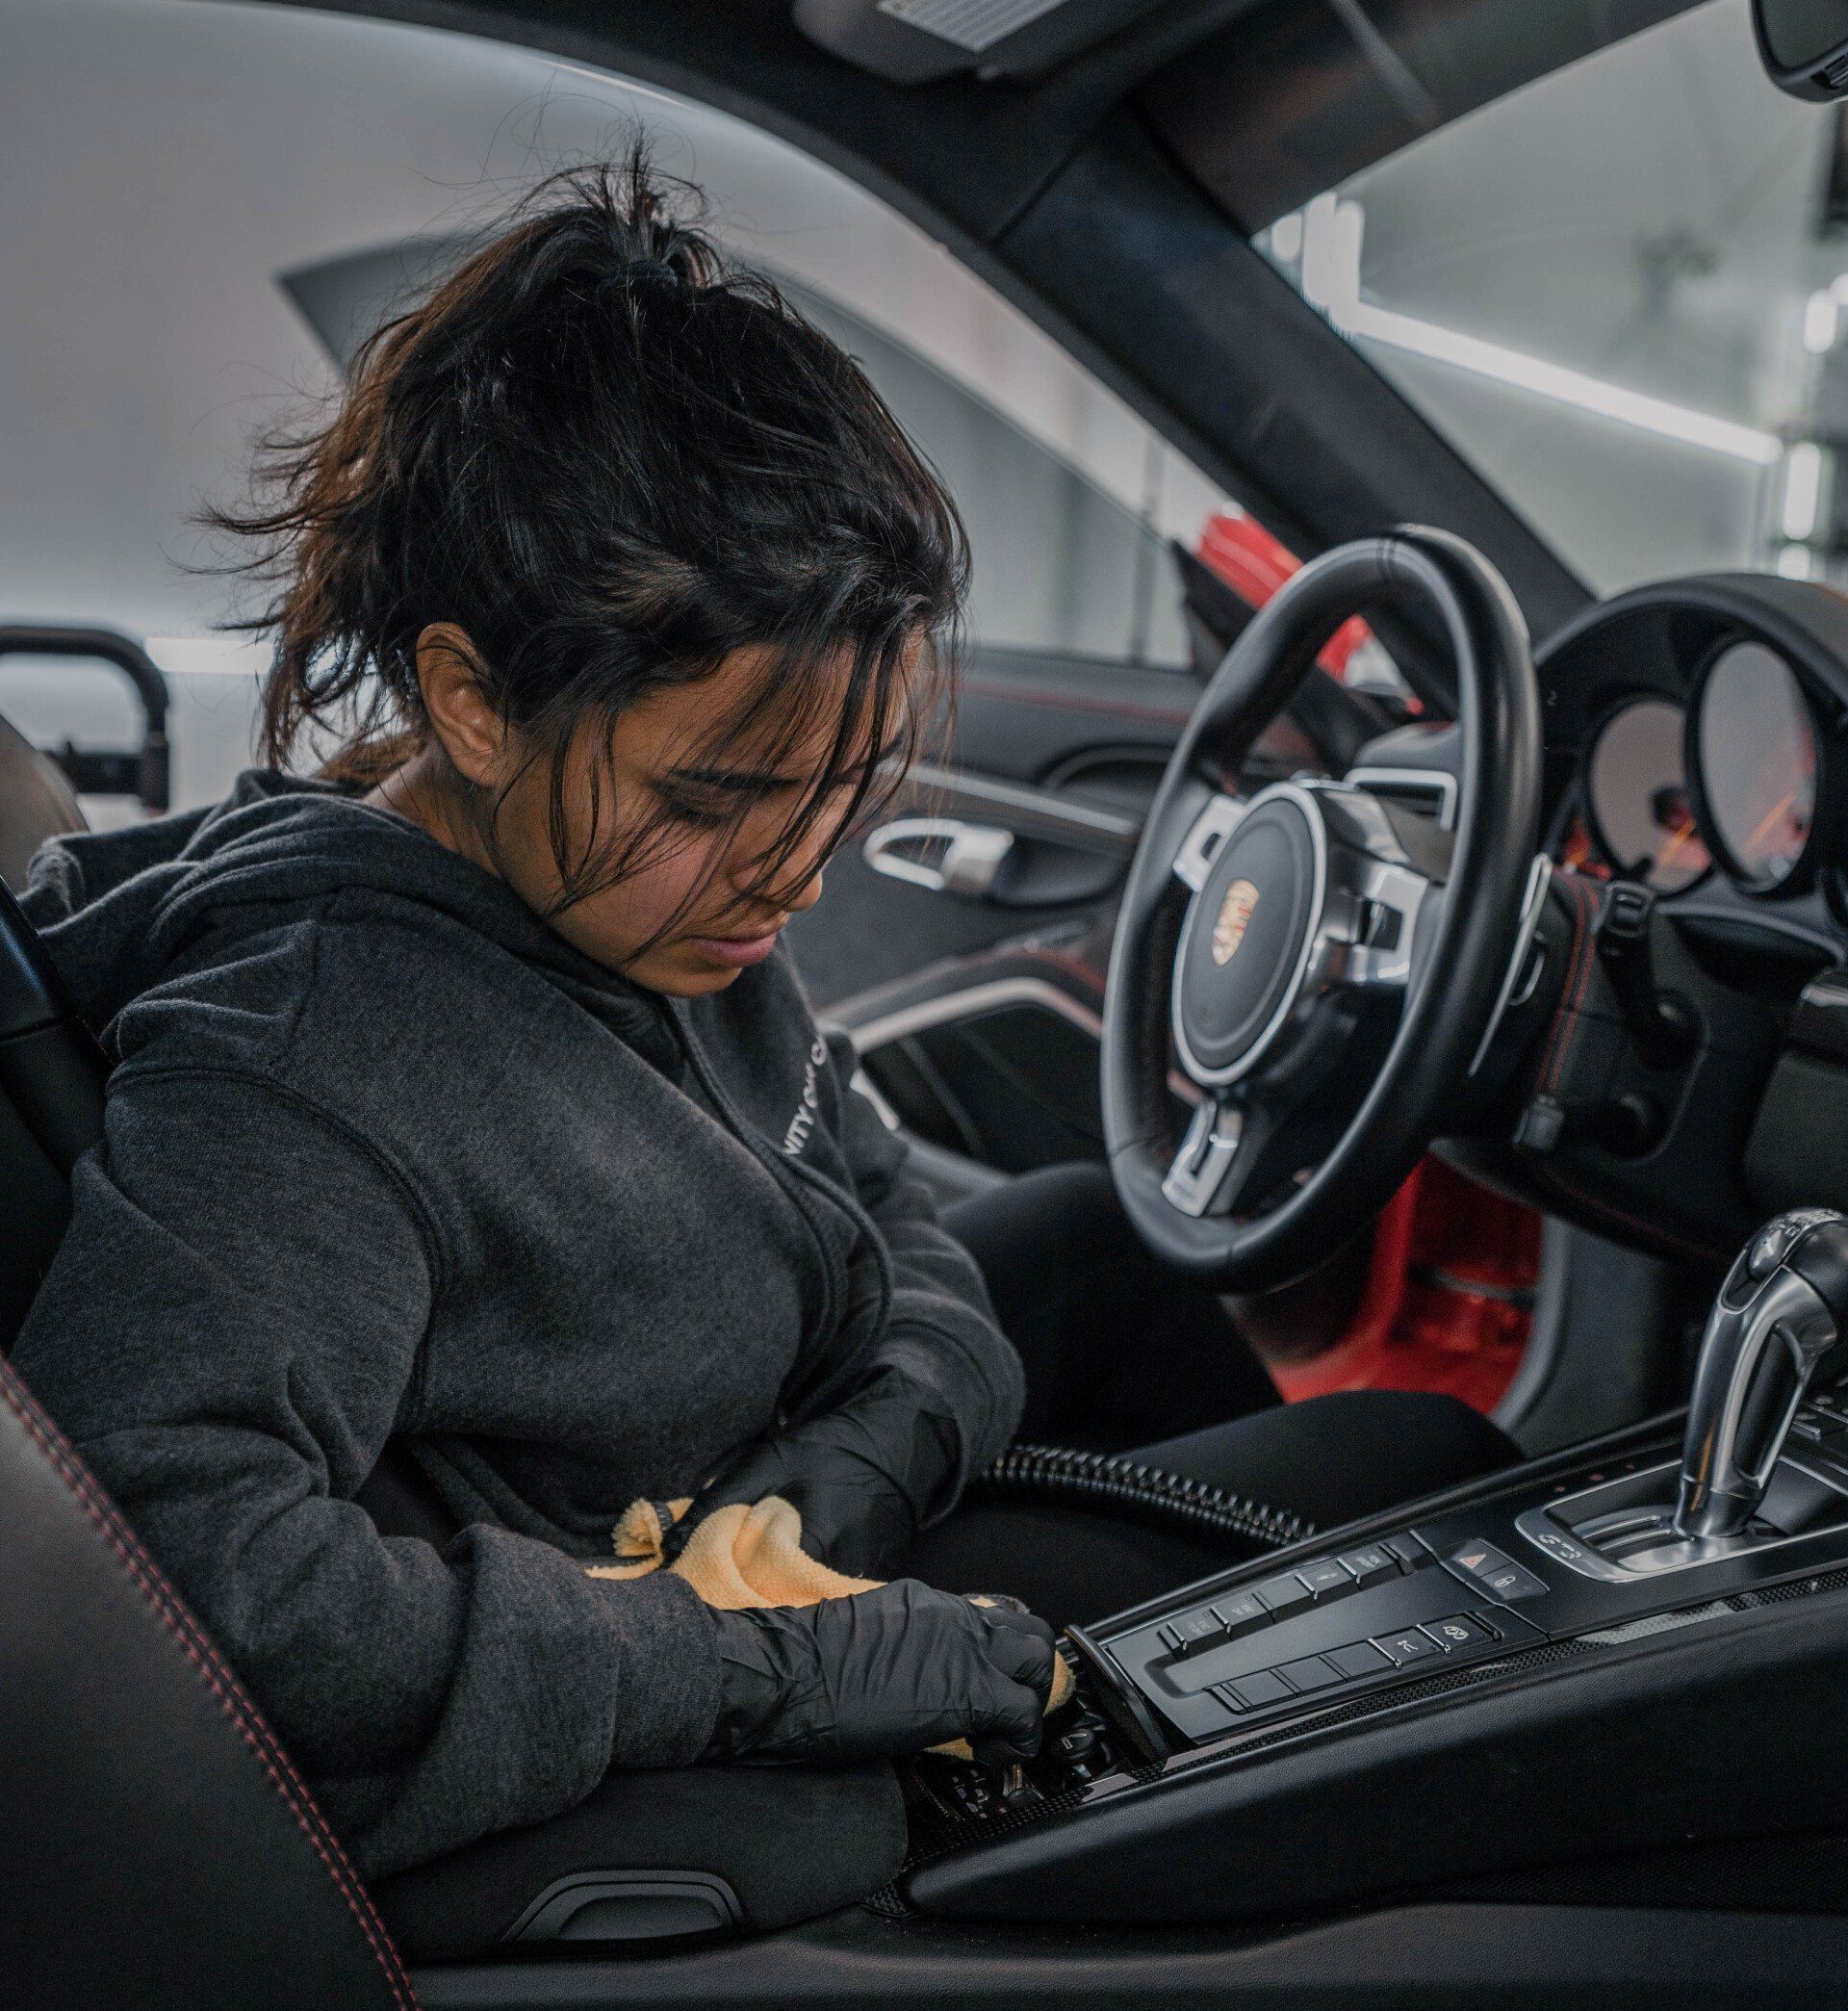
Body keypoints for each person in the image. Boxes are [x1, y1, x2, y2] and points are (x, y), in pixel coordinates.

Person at [11, 155, 1514, 1886]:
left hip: (787, 1488)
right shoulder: (308, 1054)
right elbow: (169, 1588)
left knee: (1115, 1238)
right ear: (470, 703)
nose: (791, 876)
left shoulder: (643, 900)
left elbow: (881, 1207)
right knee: (1423, 1459)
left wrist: (880, 1443)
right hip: (660, 1664)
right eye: (725, 796)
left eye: (840, 793)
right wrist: (745, 1663)